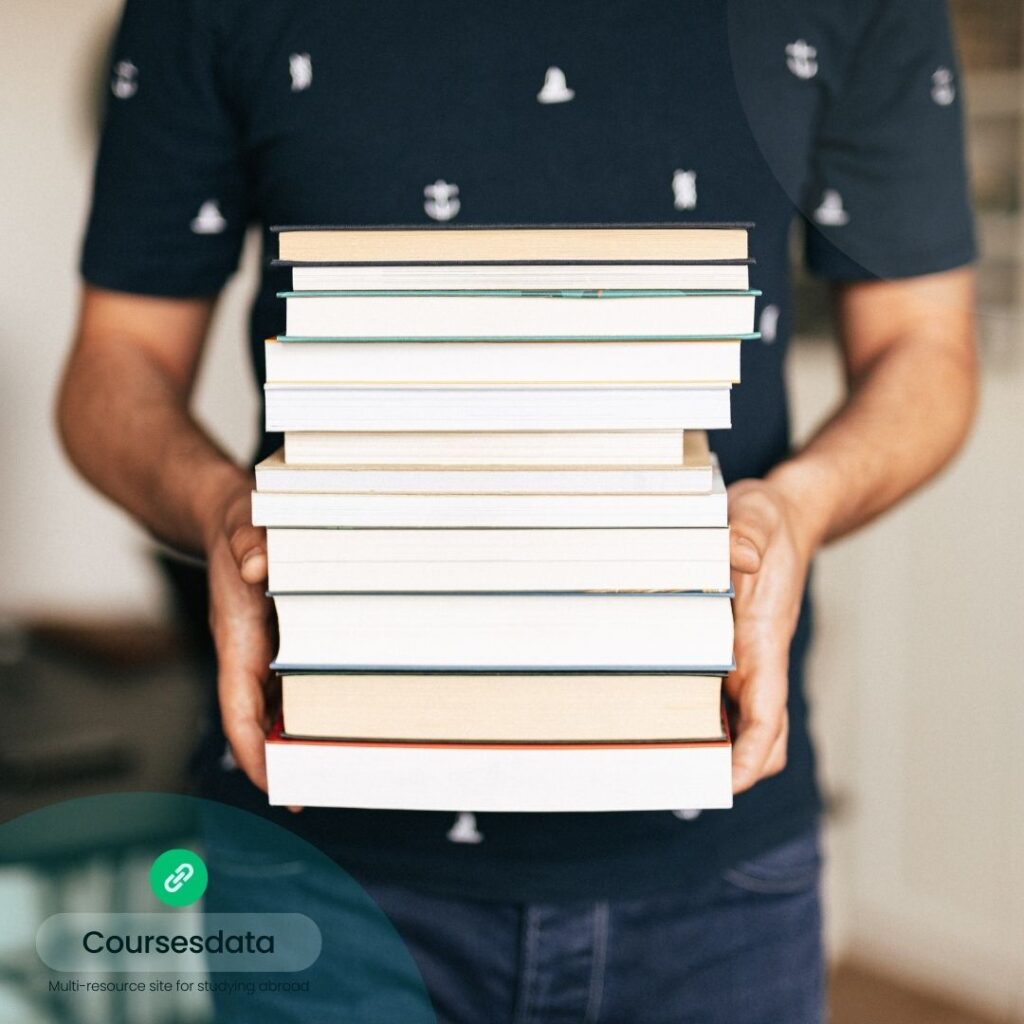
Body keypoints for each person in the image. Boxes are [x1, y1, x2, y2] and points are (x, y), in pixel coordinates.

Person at [58, 1, 977, 1021]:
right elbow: (114, 365)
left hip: (710, 867)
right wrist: (224, 509)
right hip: (317, 860)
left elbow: (926, 351)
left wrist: (800, 507)